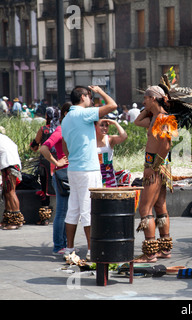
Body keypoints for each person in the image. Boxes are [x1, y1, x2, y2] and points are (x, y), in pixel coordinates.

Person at [61, 85, 117, 261]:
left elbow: (64, 145)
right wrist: (101, 92)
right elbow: (112, 105)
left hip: (74, 168)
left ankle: (69, 248)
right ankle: (93, 250)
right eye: (90, 96)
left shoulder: (66, 118)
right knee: (89, 210)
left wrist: (73, 157)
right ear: (83, 97)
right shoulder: (83, 113)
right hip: (88, 169)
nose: (92, 100)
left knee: (73, 209)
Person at [133, 85, 177, 263]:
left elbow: (166, 146)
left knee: (145, 208)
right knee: (160, 206)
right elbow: (137, 121)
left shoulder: (164, 118)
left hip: (156, 166)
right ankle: (164, 249)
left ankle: (150, 252)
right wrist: (150, 107)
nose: (143, 102)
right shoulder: (156, 118)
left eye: (145, 98)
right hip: (158, 165)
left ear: (153, 98)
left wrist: (152, 167)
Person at [40, 103, 71, 254]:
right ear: (65, 114)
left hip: (70, 174)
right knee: (62, 211)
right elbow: (43, 147)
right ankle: (59, 245)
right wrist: (57, 162)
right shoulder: (61, 129)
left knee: (67, 211)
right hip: (62, 174)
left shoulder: (70, 129)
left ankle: (64, 244)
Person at [30, 107, 60, 225]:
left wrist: (33, 145)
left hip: (45, 162)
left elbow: (35, 146)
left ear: (47, 116)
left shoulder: (43, 129)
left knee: (44, 188)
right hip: (59, 161)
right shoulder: (60, 129)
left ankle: (45, 218)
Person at [95, 118, 128, 188]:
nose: (104, 128)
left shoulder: (110, 139)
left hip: (109, 179)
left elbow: (124, 136)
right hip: (94, 177)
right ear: (95, 126)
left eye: (106, 126)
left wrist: (115, 123)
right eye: (101, 125)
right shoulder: (90, 140)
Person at [0, 133, 24, 230]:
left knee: (10, 192)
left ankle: (16, 221)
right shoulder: (3, 137)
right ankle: (7, 219)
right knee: (7, 192)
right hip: (9, 163)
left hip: (9, 164)